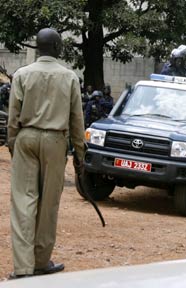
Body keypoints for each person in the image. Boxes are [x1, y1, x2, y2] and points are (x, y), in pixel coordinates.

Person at [7, 28, 85, 279]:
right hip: (55, 140)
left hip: (26, 138)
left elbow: (13, 115)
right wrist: (80, 155)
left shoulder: (22, 74)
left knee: (23, 201)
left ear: (37, 47)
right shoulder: (69, 77)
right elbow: (77, 120)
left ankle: (22, 267)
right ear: (57, 48)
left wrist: (12, 143)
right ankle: (41, 261)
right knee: (49, 202)